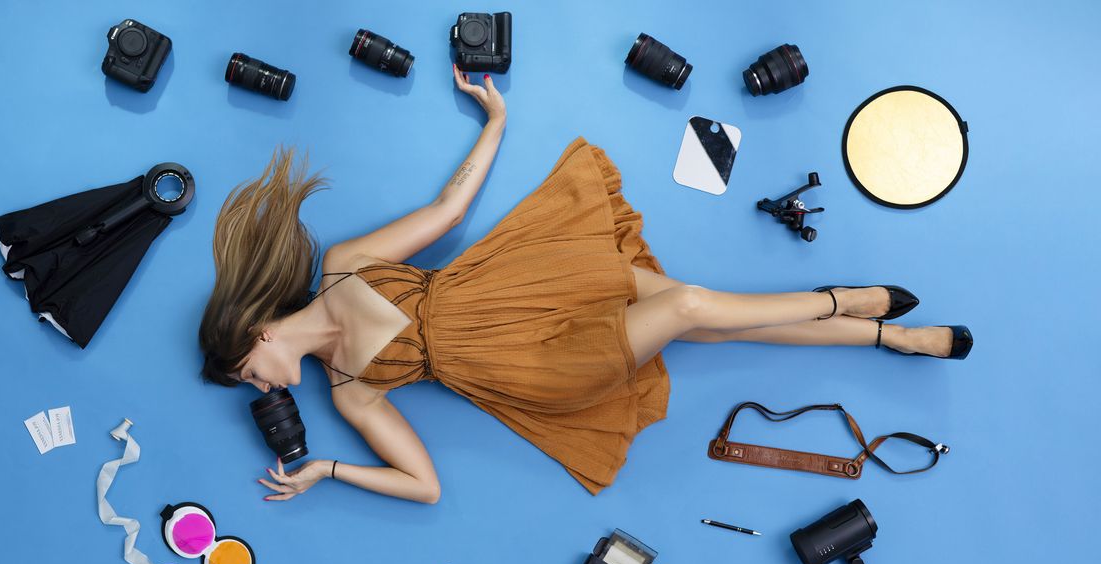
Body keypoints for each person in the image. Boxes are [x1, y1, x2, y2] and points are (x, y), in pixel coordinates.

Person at [199, 66, 972, 504]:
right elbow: (425, 485)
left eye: (246, 376)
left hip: (529, 280)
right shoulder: (347, 393)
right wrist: (327, 470)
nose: (260, 391)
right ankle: (850, 299)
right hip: (537, 368)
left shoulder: (342, 264)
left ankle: (887, 335)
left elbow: (446, 211)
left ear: (254, 335)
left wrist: (493, 121)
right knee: (695, 306)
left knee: (718, 324)